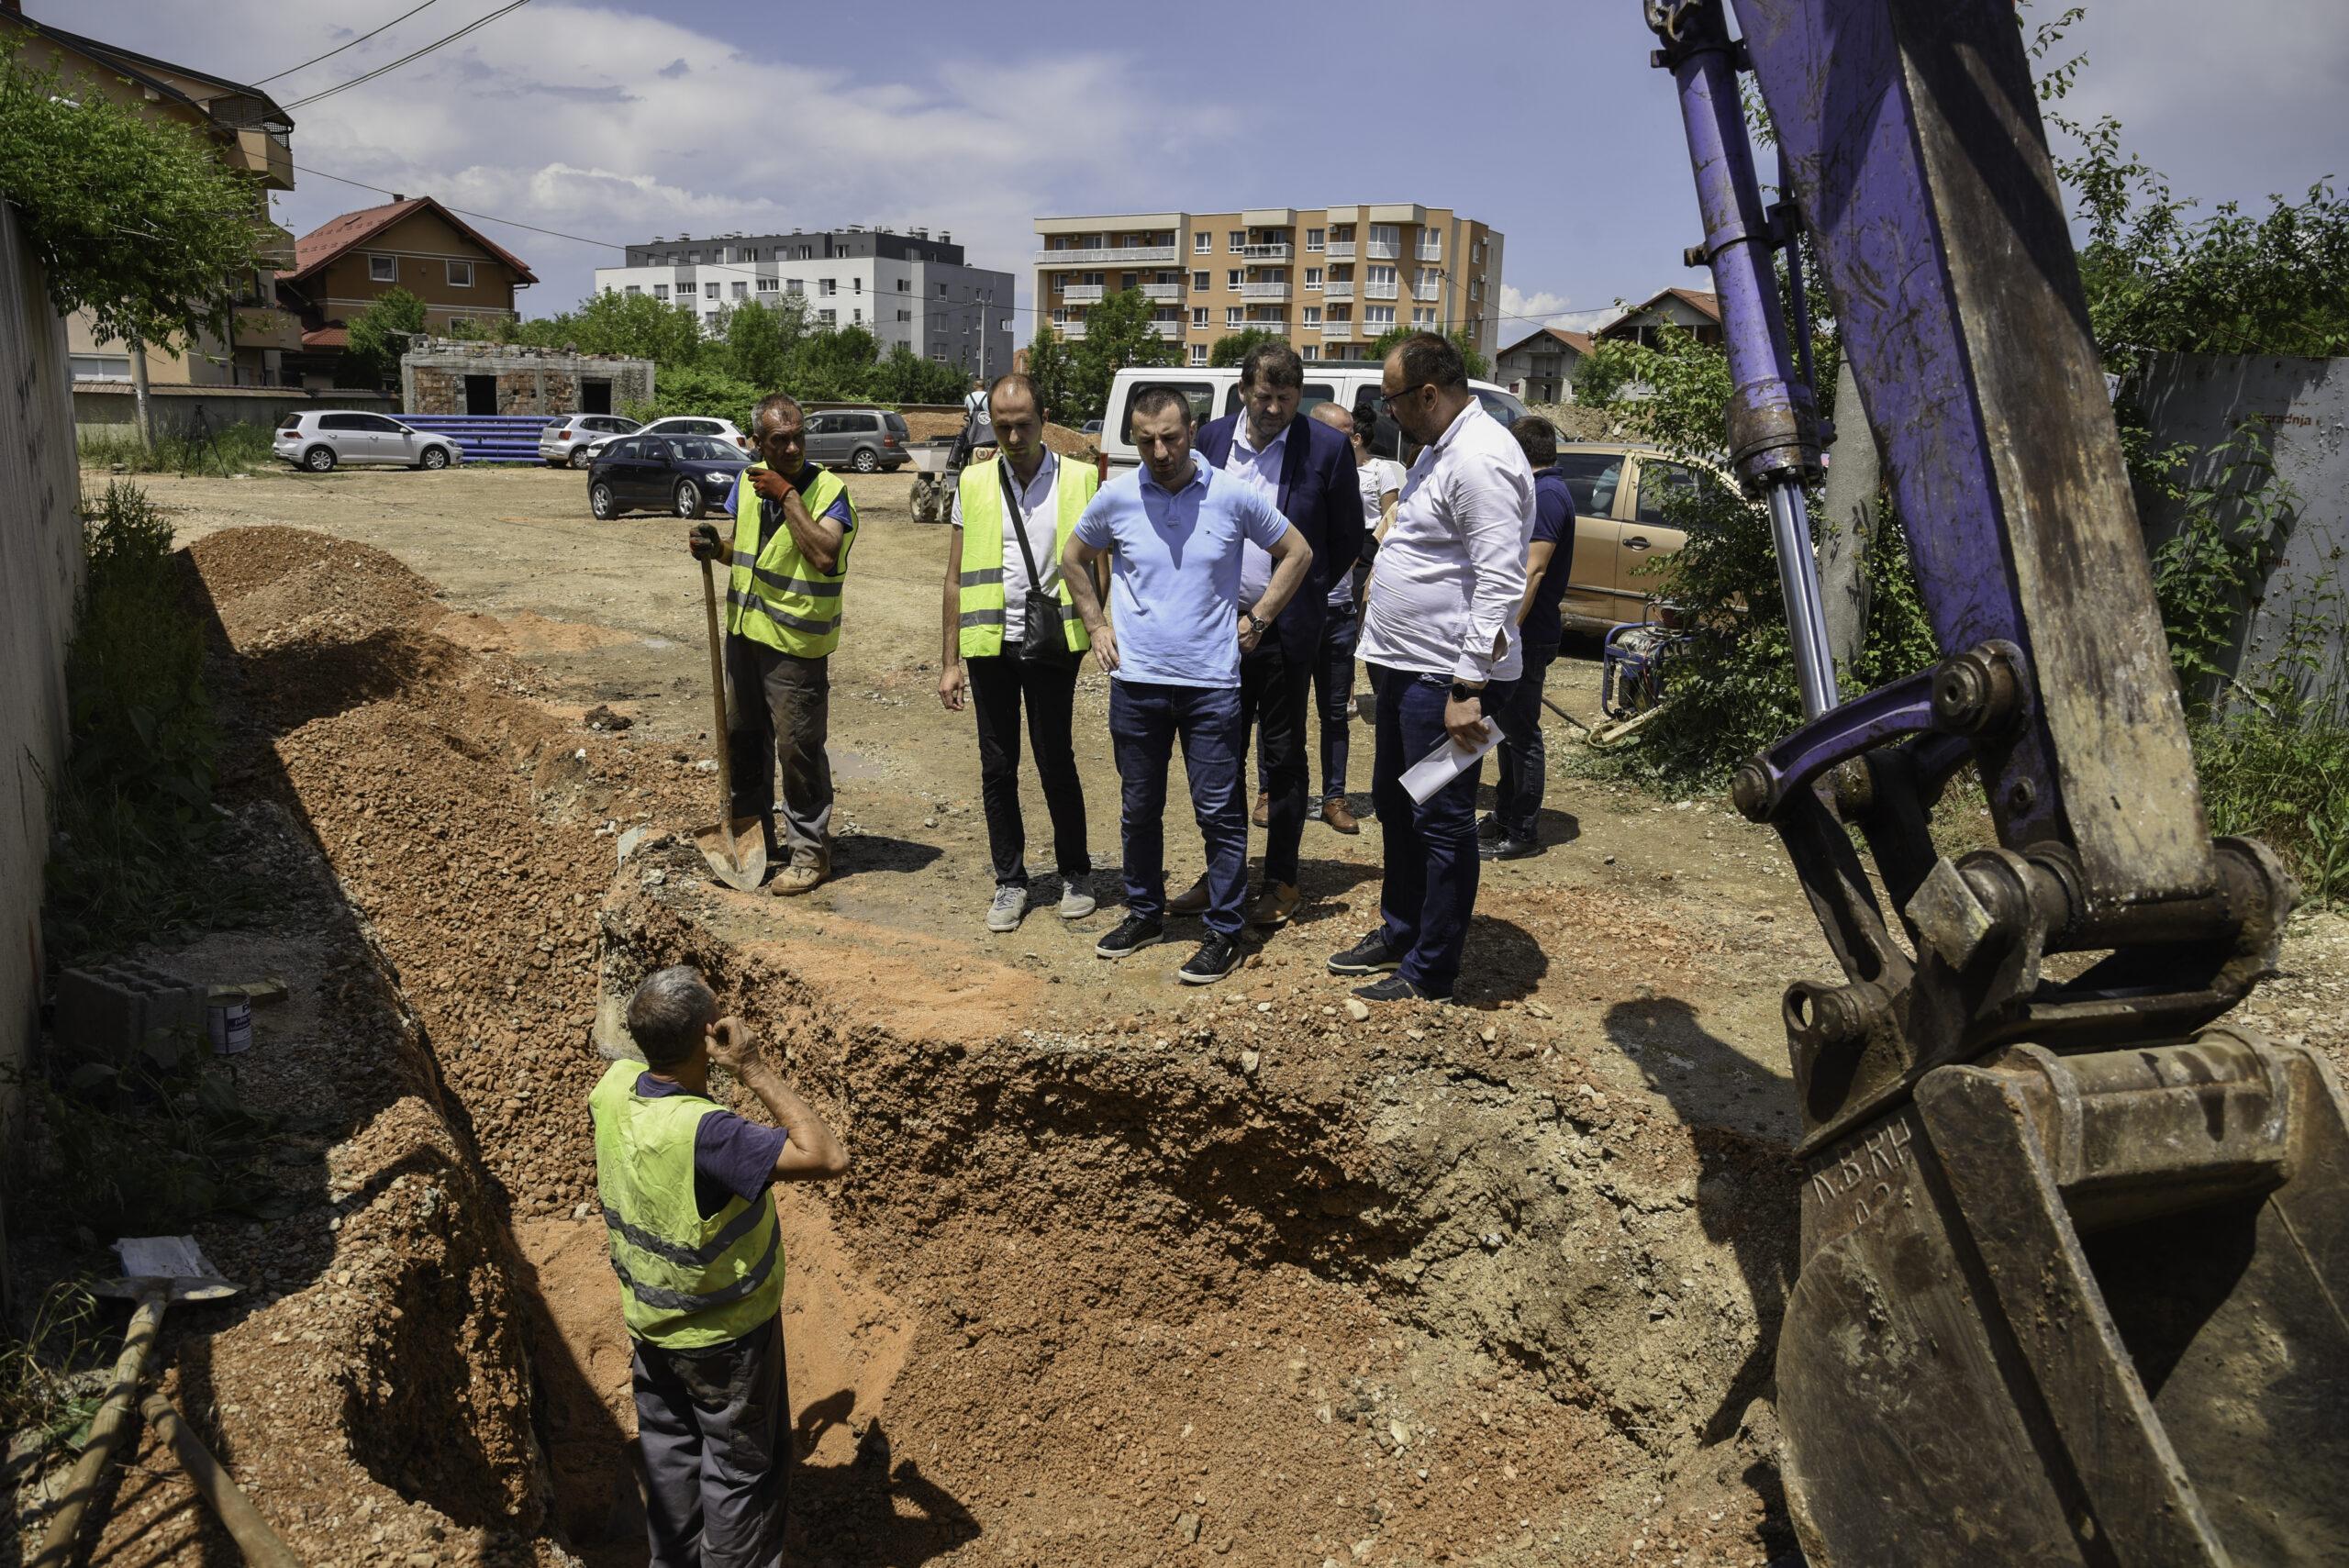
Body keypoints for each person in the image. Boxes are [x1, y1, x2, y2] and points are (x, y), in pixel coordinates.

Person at [589, 965, 850, 1568]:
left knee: (671, 1461)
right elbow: (826, 1155)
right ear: (711, 1034)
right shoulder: (707, 1135)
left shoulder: (613, 1088)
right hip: (725, 1341)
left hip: (651, 1327)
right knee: (740, 1475)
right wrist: (752, 1068)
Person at [1061, 388, 1313, 985]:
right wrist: (1096, 624)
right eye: (1146, 439)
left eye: (1170, 437)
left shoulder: (1231, 494)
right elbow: (1073, 557)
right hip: (1137, 684)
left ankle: (1224, 931)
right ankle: (1145, 913)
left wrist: (1259, 619)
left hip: (1210, 686)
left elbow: (1297, 552)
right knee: (1138, 808)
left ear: (1192, 431)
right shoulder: (1117, 496)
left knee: (1219, 813)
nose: (1160, 451)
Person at [1329, 333, 1533, 1004]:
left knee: (1440, 820)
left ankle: (1431, 971)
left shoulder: (1480, 459)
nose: (1386, 413)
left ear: (1427, 393)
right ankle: (1402, 930)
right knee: (1397, 803)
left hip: (1447, 680)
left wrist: (1468, 687)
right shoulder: (1440, 449)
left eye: (1392, 400)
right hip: (1406, 669)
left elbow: (1500, 581)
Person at [1168, 342, 1364, 929]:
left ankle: (1281, 878)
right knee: (1217, 755)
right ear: (1243, 392)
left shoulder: (1325, 448)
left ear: (1299, 395)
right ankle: (1222, 873)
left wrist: (1296, 598)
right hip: (1214, 632)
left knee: (1282, 757)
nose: (1274, 408)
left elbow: (1346, 538)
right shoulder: (1209, 442)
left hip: (1283, 634)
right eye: (1263, 396)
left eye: (1285, 397)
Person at [937, 373, 1101, 931]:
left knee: (1056, 760)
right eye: (1002, 426)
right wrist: (949, 662)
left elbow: (1101, 568)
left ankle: (1076, 873)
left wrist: (1100, 631)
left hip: (1054, 643)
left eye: (1023, 425)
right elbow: (955, 577)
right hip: (990, 646)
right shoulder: (974, 481)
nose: (1012, 437)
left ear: (1043, 419)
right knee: (997, 766)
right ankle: (1010, 881)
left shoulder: (1080, 479)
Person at [688, 393, 859, 895]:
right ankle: (752, 840)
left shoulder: (829, 492)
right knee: (742, 740)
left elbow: (824, 555)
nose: (792, 448)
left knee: (798, 749)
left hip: (795, 646)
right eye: (780, 440)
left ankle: (809, 854)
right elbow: (749, 552)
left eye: (798, 437)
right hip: (745, 636)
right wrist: (715, 548)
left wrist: (788, 496)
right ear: (756, 443)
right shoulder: (748, 484)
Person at [1301, 400, 1403, 832]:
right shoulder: (1294, 478)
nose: (1353, 440)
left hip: (1338, 613)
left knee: (1335, 713)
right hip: (1293, 614)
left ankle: (1334, 797)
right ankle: (1273, 793)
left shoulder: (1356, 483)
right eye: (1343, 433)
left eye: (1352, 434)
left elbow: (1378, 533)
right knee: (1282, 713)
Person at [1481, 417, 1575, 861]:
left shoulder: (1548, 495)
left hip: (1528, 635)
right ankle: (1504, 815)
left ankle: (1522, 831)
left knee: (1521, 734)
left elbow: (1533, 571)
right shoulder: (1541, 490)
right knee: (1504, 730)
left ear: (1518, 451)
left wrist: (1507, 632)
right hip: (1522, 634)